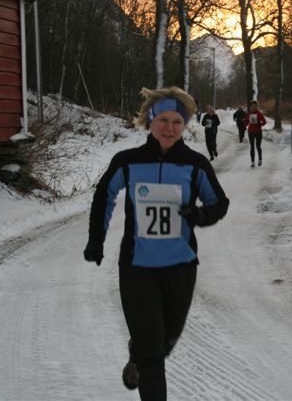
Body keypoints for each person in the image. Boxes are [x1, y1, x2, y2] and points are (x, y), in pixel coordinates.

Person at [83, 86, 229, 401]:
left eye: (177, 122)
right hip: (137, 268)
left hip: (181, 266)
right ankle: (144, 356)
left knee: (164, 343)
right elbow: (104, 194)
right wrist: (96, 239)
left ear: (185, 125)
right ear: (150, 120)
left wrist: (199, 215)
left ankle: (138, 355)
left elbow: (219, 203)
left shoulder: (195, 164)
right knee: (152, 350)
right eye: (163, 120)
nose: (169, 128)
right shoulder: (128, 161)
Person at [243, 100, 267, 167]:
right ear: (251, 107)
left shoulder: (259, 113)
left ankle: (260, 159)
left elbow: (264, 122)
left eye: (255, 106)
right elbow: (247, 121)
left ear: (256, 106)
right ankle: (252, 162)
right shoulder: (249, 114)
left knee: (258, 146)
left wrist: (260, 124)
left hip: (258, 132)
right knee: (252, 146)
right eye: (252, 106)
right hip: (251, 132)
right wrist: (244, 125)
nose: (253, 107)